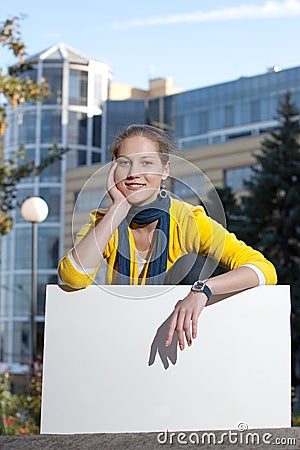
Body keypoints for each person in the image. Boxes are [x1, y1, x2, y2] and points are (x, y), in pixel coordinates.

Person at [58, 124, 277, 351]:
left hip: (174, 347)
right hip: (120, 344)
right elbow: (73, 277)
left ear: (165, 170)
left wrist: (203, 290)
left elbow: (263, 270)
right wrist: (117, 210)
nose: (134, 173)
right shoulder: (103, 223)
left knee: (193, 265)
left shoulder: (188, 221)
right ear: (113, 170)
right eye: (125, 162)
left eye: (146, 162)